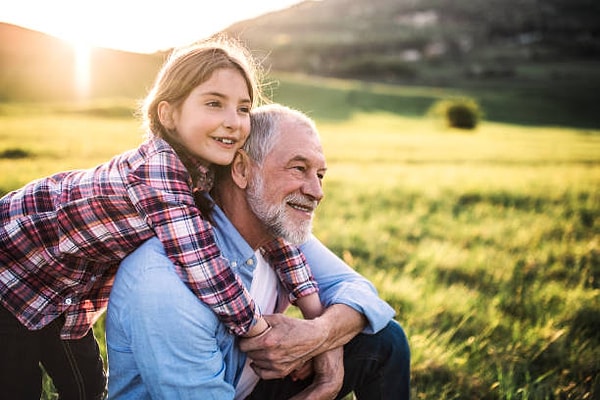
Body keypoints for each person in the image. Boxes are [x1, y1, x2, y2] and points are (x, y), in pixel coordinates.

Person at [0, 37, 322, 399]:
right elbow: (201, 263)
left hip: (68, 291)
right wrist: (263, 334)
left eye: (243, 108)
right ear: (168, 115)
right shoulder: (158, 171)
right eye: (215, 104)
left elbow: (272, 231)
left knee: (87, 386)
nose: (233, 122)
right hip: (14, 274)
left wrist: (315, 312)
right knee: (17, 384)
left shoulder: (210, 163)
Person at [106, 104, 411, 399]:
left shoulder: (279, 234)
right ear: (241, 169)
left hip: (246, 388)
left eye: (319, 175)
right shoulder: (165, 281)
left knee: (385, 340)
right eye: (299, 168)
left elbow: (365, 295)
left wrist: (318, 336)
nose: (317, 192)